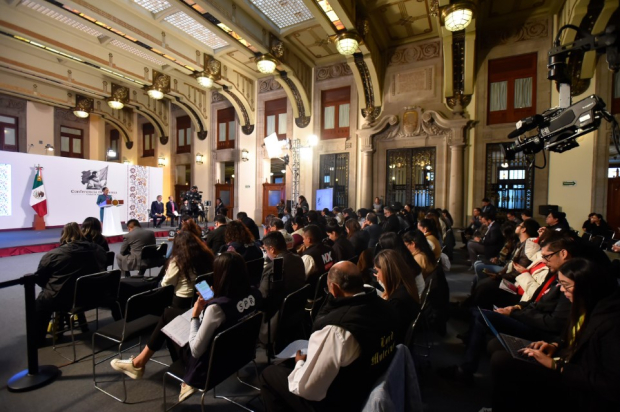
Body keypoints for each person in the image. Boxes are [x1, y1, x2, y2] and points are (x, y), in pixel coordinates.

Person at [110, 252, 262, 401]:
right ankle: (143, 364)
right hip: (240, 354)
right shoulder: (255, 294)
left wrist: (196, 315)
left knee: (168, 319)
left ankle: (146, 366)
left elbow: (196, 350)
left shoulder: (216, 309)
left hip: (212, 364)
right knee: (170, 314)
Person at [259, 261, 399, 412]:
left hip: (344, 400)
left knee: (269, 374)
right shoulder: (384, 303)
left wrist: (299, 364)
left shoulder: (336, 330)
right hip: (370, 377)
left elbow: (308, 389)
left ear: (334, 288)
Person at [491, 258, 620, 412]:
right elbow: (570, 336)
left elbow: (611, 384)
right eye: (560, 284)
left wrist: (557, 366)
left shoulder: (611, 323)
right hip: (566, 361)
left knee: (502, 361)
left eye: (566, 286)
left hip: (581, 385)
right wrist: (555, 345)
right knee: (497, 345)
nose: (562, 290)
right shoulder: (583, 305)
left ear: (587, 287)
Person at [34, 222, 106, 347]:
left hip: (62, 298)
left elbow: (40, 279)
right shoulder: (98, 249)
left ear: (63, 235)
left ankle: (38, 339)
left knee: (41, 304)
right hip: (93, 295)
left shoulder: (53, 255)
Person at [259, 231, 306, 343]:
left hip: (278, 315)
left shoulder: (276, 267)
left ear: (272, 249)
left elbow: (263, 297)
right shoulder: (297, 258)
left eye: (265, 250)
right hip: (296, 308)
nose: (266, 253)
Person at [373, 249, 420, 342]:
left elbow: (386, 328)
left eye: (377, 271)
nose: (377, 276)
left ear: (387, 272)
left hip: (394, 343)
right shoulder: (406, 285)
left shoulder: (396, 302)